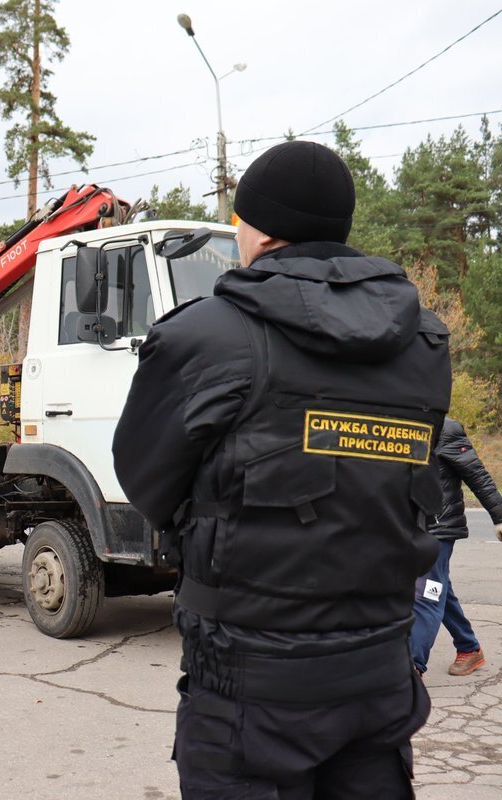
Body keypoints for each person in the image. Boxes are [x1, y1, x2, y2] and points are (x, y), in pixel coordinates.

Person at [113, 140, 451, 798]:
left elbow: (147, 483)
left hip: (250, 689)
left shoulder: (206, 335)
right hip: (380, 676)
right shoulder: (424, 341)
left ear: (261, 231)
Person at [411, 418, 502, 677]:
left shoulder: (446, 429)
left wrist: (499, 516)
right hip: (407, 528)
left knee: (425, 594)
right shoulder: (396, 424)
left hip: (439, 527)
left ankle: (412, 668)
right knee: (439, 589)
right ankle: (469, 648)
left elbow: (477, 475)